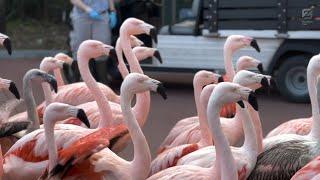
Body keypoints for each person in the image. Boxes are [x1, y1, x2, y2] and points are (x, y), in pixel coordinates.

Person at [69, 0, 117, 82]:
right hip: (82, 15)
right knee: (79, 49)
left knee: (103, 48)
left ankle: (103, 82)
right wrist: (88, 9)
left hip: (101, 15)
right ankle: (75, 81)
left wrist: (112, 11)